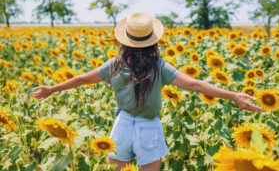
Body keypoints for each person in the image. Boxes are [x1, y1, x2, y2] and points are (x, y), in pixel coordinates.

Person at [30, 12, 262, 171]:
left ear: (125, 40)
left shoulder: (115, 64)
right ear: (152, 40)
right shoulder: (159, 66)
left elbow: (82, 79)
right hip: (148, 127)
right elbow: (194, 84)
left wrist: (53, 88)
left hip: (121, 126)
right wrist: (233, 95)